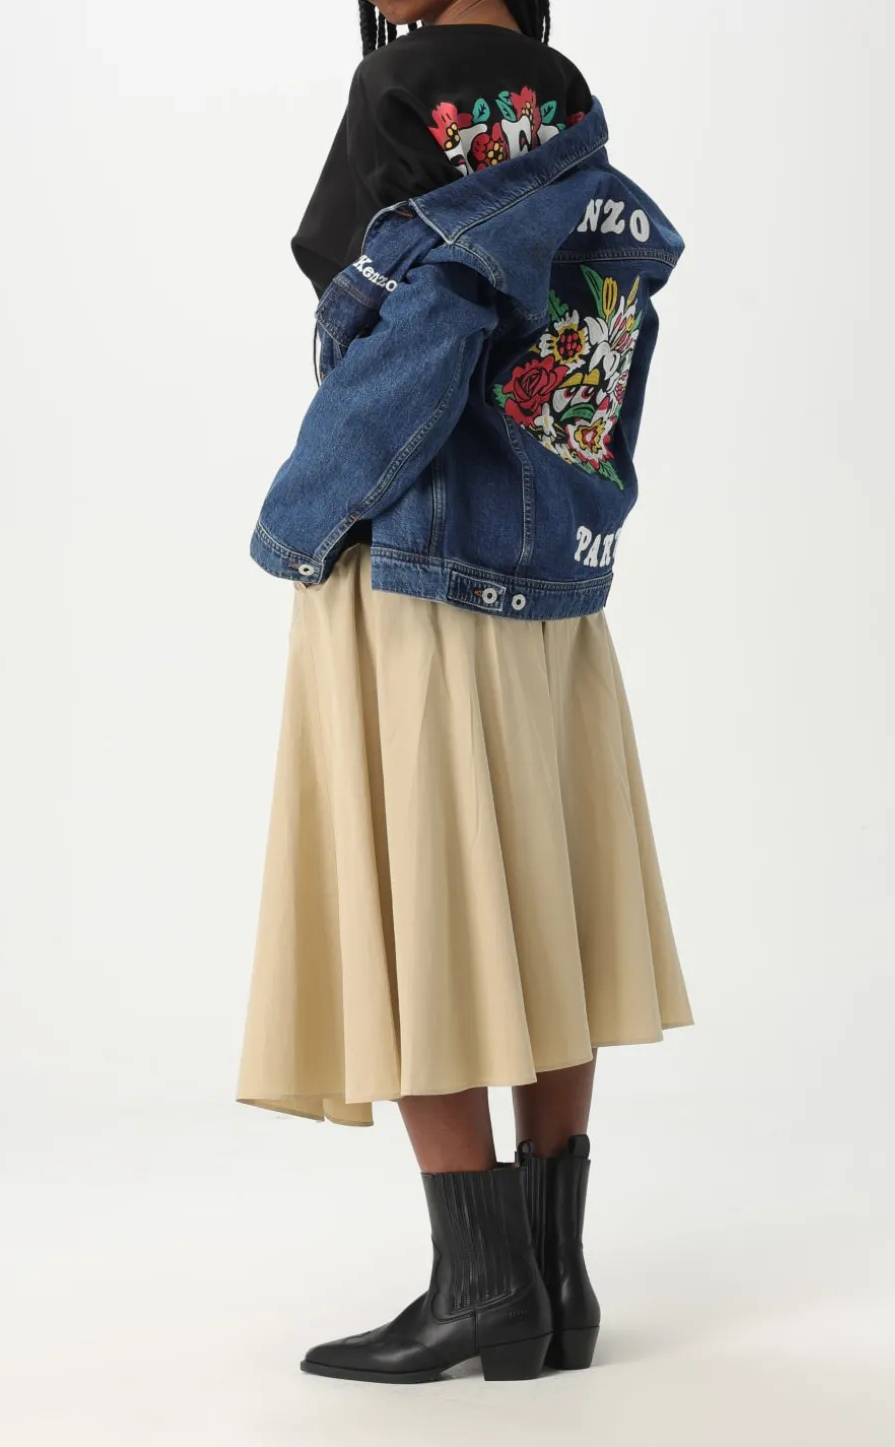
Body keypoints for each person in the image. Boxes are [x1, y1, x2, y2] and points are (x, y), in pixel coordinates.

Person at [236, 0, 695, 1384]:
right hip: (549, 578)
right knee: (547, 908)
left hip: (417, 566)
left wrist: (300, 517)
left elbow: (410, 327)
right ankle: (554, 1281)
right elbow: (590, 367)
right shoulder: (578, 127)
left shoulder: (405, 83)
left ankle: (480, 1287)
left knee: (420, 905)